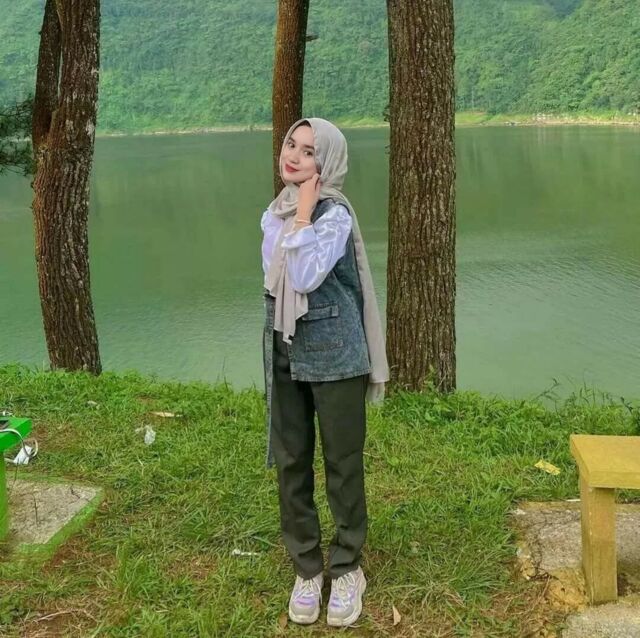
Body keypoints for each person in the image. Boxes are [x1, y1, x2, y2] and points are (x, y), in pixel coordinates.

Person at [261, 117, 389, 627]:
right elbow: (274, 279)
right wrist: (296, 214)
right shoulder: (274, 213)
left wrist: (306, 213)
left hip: (337, 353)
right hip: (285, 347)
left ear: (327, 163)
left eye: (309, 151)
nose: (293, 155)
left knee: (342, 461)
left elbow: (305, 274)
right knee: (291, 458)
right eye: (291, 144)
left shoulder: (335, 215)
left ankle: (348, 565)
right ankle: (307, 567)